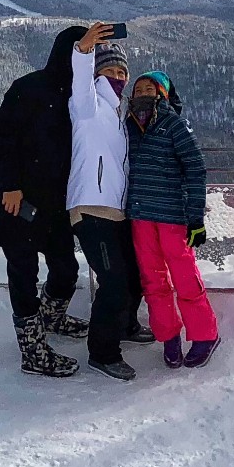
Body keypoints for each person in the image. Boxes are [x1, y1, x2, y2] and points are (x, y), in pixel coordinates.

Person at [0, 27, 89, 378]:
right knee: (23, 270)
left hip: (55, 201)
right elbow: (5, 136)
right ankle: (32, 350)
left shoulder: (82, 93)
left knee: (66, 267)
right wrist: (11, 185)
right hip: (19, 199)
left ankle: (52, 318)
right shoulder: (28, 87)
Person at [66, 22, 151, 381]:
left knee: (135, 277)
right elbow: (81, 82)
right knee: (114, 282)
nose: (117, 76)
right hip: (89, 208)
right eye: (110, 70)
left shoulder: (118, 116)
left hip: (117, 212)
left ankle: (126, 324)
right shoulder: (87, 106)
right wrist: (84, 51)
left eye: (122, 72)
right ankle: (103, 352)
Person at [126, 70, 218, 369]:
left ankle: (205, 334)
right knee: (153, 282)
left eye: (148, 88)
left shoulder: (174, 125)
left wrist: (196, 218)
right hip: (140, 217)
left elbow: (195, 169)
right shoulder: (128, 125)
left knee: (185, 278)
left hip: (172, 217)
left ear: (162, 94)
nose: (141, 93)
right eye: (137, 88)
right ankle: (168, 336)